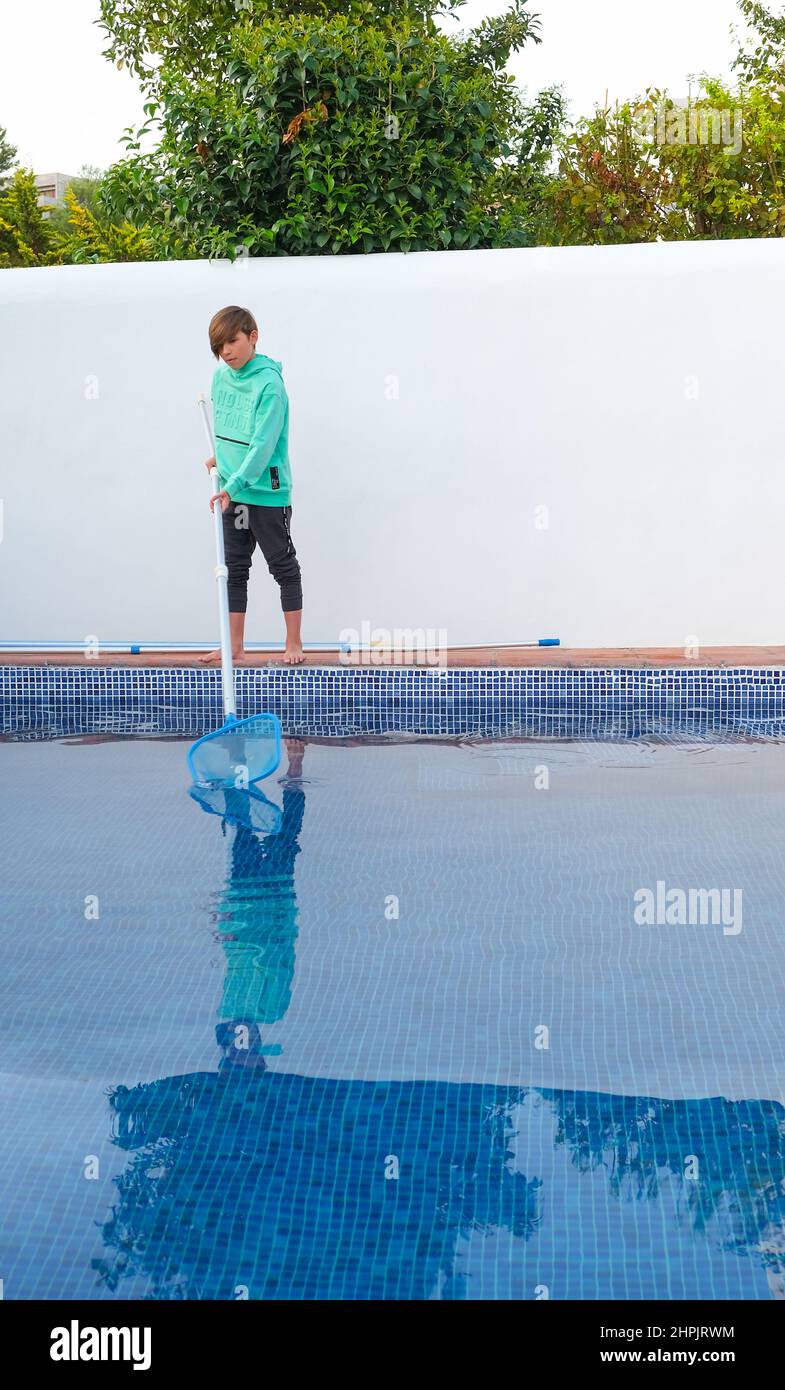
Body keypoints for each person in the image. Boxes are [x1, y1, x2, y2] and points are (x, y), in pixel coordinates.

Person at [199, 304, 304, 665]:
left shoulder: (270, 385)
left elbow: (262, 445)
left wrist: (234, 482)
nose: (225, 352)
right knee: (234, 569)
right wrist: (222, 462)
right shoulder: (219, 378)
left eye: (231, 341)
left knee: (282, 566)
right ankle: (235, 647)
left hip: (265, 494)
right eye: (219, 346)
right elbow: (231, 431)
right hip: (232, 491)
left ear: (252, 337)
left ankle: (293, 644)